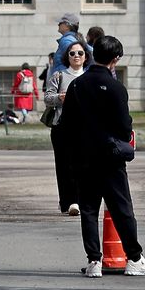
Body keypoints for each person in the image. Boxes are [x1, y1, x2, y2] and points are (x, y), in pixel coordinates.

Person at [61, 35, 145, 277]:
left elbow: (67, 124)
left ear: (92, 55)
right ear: (115, 59)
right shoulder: (116, 88)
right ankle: (134, 258)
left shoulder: (76, 86)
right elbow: (125, 126)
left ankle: (94, 261)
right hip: (110, 157)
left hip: (83, 157)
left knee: (89, 210)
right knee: (122, 209)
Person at [43, 41, 90, 215]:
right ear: (67, 57)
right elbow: (47, 98)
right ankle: (68, 201)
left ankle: (79, 200)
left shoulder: (89, 76)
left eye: (80, 53)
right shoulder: (59, 75)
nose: (76, 56)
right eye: (72, 53)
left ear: (85, 56)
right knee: (63, 165)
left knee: (82, 165)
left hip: (84, 128)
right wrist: (60, 98)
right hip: (61, 126)